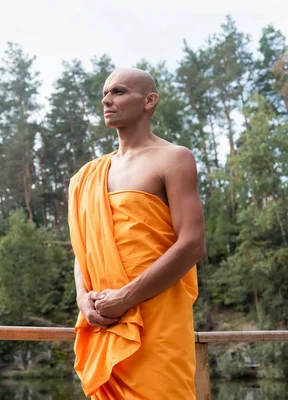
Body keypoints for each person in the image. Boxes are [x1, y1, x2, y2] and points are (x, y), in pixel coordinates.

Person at [68, 68, 206, 399]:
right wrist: (82, 299)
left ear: (149, 101)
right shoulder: (86, 176)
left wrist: (126, 297)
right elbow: (82, 249)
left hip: (158, 325)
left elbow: (192, 244)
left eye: (118, 91)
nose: (106, 99)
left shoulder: (173, 159)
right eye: (104, 93)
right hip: (105, 323)